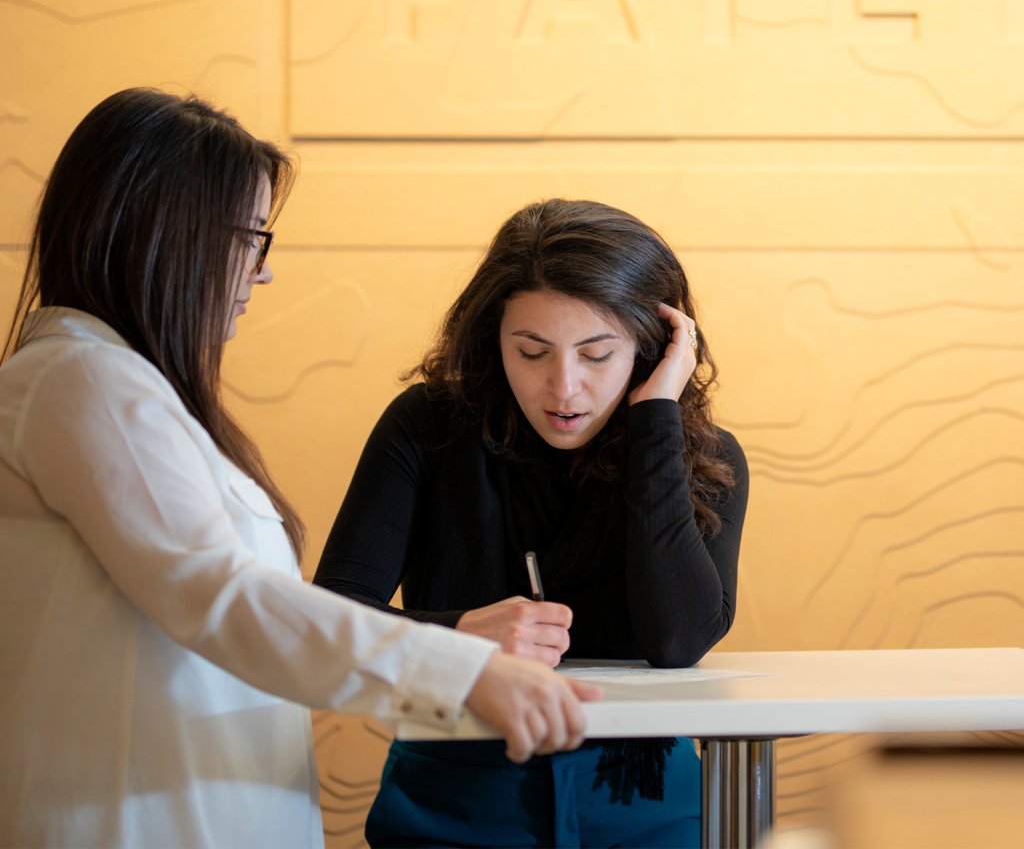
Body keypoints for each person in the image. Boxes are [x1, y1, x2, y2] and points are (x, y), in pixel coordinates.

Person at [0, 90, 600, 849]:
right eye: (253, 238)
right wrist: (463, 670)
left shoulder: (113, 386)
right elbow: (220, 596)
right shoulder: (83, 382)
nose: (263, 273)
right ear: (168, 234)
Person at [314, 198, 750, 849]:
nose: (563, 388)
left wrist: (656, 422)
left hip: (647, 805)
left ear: (651, 349)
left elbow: (678, 641)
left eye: (597, 355)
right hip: (453, 804)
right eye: (532, 351)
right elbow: (330, 620)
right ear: (494, 341)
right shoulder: (426, 427)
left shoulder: (703, 456)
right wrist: (459, 633)